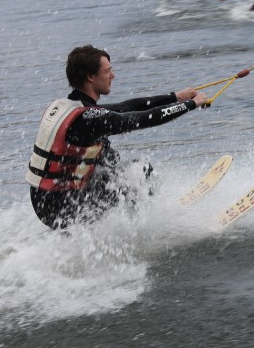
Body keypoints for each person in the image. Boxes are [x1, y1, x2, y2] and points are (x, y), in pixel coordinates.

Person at [26, 45, 208, 229]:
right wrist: (192, 104)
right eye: (107, 71)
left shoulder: (66, 106)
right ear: (91, 77)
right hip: (65, 207)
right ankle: (146, 228)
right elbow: (144, 118)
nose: (113, 76)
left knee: (108, 158)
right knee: (142, 170)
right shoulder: (88, 118)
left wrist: (175, 97)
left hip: (43, 202)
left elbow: (126, 107)